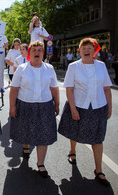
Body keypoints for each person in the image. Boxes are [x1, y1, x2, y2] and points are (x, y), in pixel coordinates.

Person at [58, 38, 112, 187]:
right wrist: (73, 109)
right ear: (79, 51)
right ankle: (72, 151)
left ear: (94, 50)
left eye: (89, 48)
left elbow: (107, 88)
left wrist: (109, 107)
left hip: (98, 106)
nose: (86, 50)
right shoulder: (74, 67)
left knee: (98, 138)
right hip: (79, 105)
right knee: (75, 131)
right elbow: (69, 89)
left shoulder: (101, 66)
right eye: (83, 48)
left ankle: (99, 170)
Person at [9, 41, 59, 178]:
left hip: (45, 105)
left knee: (43, 135)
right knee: (26, 129)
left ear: (43, 53)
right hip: (25, 104)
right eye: (34, 50)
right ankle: (26, 145)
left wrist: (57, 104)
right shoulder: (21, 68)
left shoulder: (49, 68)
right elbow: (14, 89)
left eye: (39, 50)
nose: (37, 52)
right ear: (29, 53)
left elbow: (54, 88)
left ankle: (40, 163)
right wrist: (12, 106)